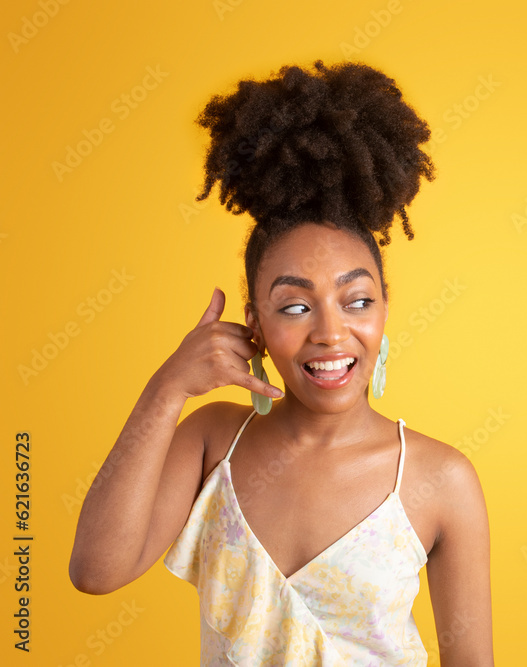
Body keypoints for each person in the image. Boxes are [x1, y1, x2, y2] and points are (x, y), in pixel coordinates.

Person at [68, 59, 494, 666]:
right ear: (255, 324)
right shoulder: (214, 443)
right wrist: (166, 390)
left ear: (383, 310)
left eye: (357, 301)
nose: (330, 332)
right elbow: (95, 569)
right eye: (294, 306)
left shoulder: (440, 480)